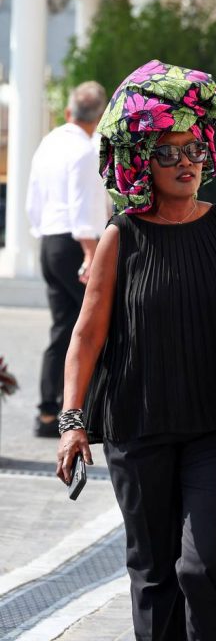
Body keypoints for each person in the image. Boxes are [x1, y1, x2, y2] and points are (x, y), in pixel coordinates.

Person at [56, 60, 216, 641]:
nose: (183, 162)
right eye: (166, 152)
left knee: (202, 566)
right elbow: (87, 334)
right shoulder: (122, 235)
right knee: (151, 575)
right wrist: (73, 418)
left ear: (207, 153)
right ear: (142, 161)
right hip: (138, 427)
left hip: (214, 427)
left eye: (192, 149)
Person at [26, 81, 108, 437]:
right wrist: (91, 254)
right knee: (93, 329)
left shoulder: (48, 142)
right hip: (78, 244)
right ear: (101, 115)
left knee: (62, 329)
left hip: (48, 241)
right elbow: (84, 206)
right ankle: (84, 414)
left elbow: (32, 197)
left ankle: (47, 413)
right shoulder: (86, 151)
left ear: (68, 111)